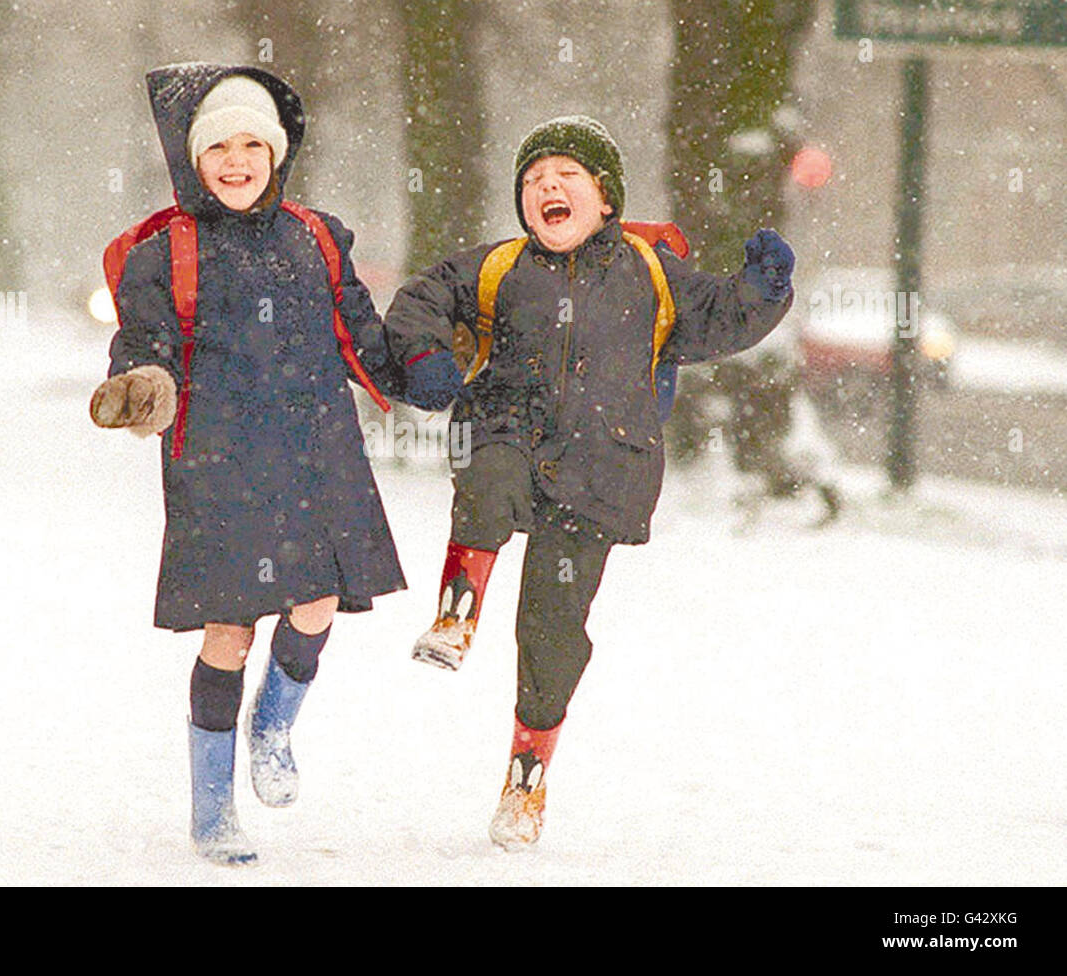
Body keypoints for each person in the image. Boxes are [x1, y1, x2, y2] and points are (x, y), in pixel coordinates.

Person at [386, 115, 795, 848]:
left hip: (604, 467)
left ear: (605, 199)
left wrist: (766, 288)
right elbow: (421, 298)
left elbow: (720, 316)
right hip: (509, 426)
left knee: (551, 630)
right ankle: (455, 614)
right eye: (535, 180)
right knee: (488, 481)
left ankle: (526, 783)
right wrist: (422, 358)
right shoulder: (497, 266)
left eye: (566, 176)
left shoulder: (649, 269)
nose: (548, 186)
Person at [90, 63, 405, 866]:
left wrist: (422, 373)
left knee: (318, 604)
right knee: (230, 630)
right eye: (218, 146)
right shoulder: (164, 253)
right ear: (194, 161)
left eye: (251, 143)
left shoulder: (318, 237)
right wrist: (144, 385)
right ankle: (211, 809)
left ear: (276, 152)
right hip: (217, 461)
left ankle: (273, 727)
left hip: (316, 452)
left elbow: (363, 339)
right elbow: (144, 341)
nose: (236, 159)